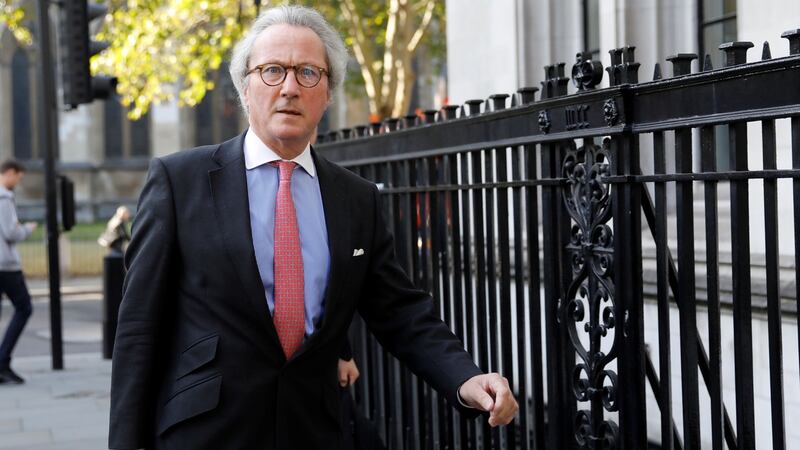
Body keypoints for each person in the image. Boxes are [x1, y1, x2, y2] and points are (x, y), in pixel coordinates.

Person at [108, 5, 518, 450]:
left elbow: (399, 310)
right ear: (245, 87)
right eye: (271, 71)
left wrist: (465, 378)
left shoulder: (356, 198)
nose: (289, 88)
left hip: (315, 430)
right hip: (205, 432)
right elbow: (138, 329)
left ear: (327, 93)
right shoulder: (178, 181)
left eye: (307, 72)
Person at [0, 159, 36, 385]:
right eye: (19, 178)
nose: (18, 183)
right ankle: (2, 362)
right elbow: (11, 233)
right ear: (10, 172)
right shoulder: (4, 198)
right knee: (24, 308)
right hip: (5, 265)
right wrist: (27, 229)